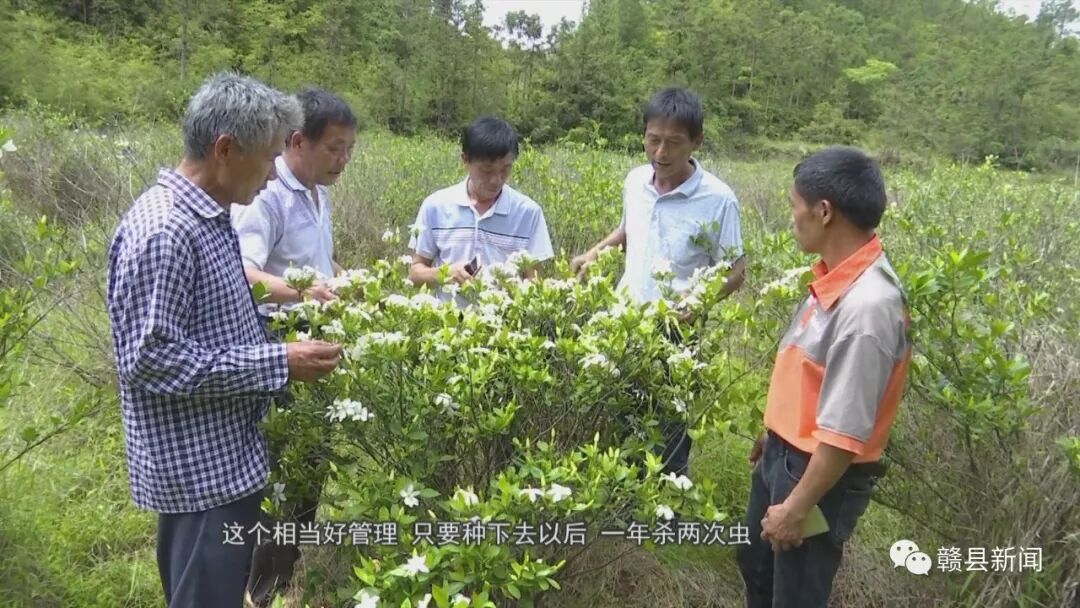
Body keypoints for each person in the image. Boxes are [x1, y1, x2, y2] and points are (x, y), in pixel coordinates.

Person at [106, 72, 342, 608]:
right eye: (266, 157)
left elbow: (212, 326)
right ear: (225, 149)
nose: (271, 173)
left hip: (225, 463)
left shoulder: (209, 220)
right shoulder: (166, 231)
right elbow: (152, 360)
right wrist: (277, 361)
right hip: (199, 477)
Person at [735, 146, 912, 608]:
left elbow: (844, 432)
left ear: (824, 211)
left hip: (816, 476)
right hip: (783, 455)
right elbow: (809, 374)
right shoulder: (834, 278)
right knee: (759, 571)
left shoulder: (868, 306)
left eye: (795, 207)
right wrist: (771, 434)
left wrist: (796, 508)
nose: (792, 218)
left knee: (795, 593)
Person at [570, 87, 746, 475]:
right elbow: (627, 231)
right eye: (653, 141)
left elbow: (736, 270)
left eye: (673, 143)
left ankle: (666, 496)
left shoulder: (718, 199)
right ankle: (624, 488)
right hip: (625, 318)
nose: (661, 154)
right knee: (621, 406)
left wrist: (691, 309)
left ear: (696, 142)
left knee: (669, 416)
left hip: (676, 329)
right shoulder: (636, 182)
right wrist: (594, 253)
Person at [230, 87, 357, 606]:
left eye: (349, 149)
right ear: (297, 141)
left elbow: (315, 265)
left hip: (315, 340)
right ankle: (260, 586)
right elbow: (245, 272)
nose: (343, 160)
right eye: (334, 149)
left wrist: (345, 280)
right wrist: (308, 291)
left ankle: (285, 576)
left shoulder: (316, 192)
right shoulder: (268, 196)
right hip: (279, 347)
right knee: (282, 467)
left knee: (314, 461)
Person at [408, 116, 554, 300]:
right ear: (465, 160)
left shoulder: (528, 212)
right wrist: (447, 274)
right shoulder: (436, 206)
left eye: (505, 169)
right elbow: (414, 274)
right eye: (487, 170)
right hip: (447, 322)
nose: (496, 180)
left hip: (504, 324)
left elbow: (534, 282)